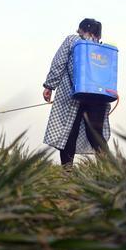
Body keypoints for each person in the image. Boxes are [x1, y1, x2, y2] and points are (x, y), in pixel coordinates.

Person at [42, 18, 111, 170]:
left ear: (82, 30)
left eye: (78, 30)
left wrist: (49, 86)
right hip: (98, 96)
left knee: (69, 132)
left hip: (74, 94)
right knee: (96, 134)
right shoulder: (103, 49)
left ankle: (67, 171)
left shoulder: (72, 40)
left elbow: (59, 63)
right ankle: (109, 171)